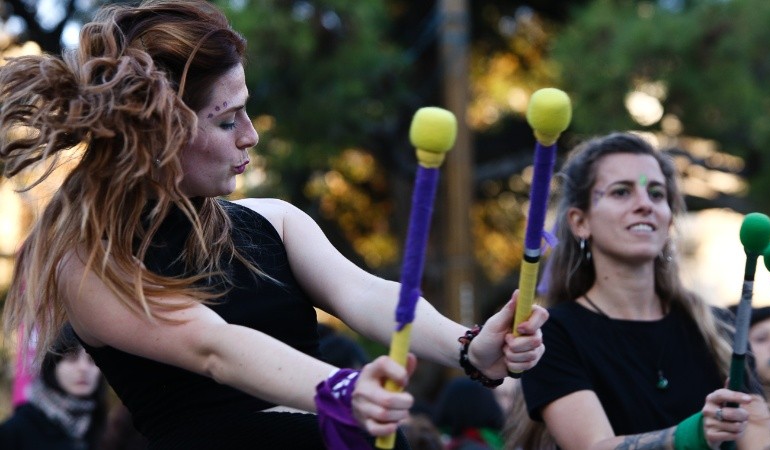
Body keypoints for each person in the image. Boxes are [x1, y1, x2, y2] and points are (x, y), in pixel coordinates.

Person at [0, 1, 548, 449]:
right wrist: (341, 388)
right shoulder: (87, 267)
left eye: (246, 110)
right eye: (226, 119)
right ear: (161, 132)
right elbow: (215, 348)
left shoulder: (274, 220)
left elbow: (366, 293)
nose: (250, 137)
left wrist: (469, 346)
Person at [514, 132, 770, 449]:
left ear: (669, 221)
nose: (644, 205)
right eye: (622, 192)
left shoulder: (716, 327)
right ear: (580, 222)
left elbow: (755, 442)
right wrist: (691, 435)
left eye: (656, 194)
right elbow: (592, 446)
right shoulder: (551, 334)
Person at [0, 325, 106, 450]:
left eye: (92, 360)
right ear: (53, 365)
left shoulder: (106, 426)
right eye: (72, 358)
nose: (83, 368)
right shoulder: (17, 429)